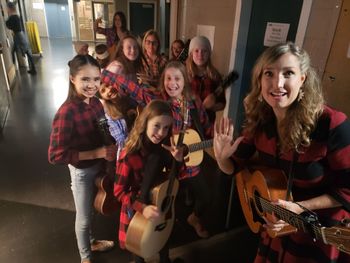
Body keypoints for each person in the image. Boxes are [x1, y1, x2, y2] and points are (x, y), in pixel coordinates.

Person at [213, 42, 350, 262]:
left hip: (320, 232)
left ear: (302, 79)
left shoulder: (331, 123)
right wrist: (221, 159)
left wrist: (300, 208)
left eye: (288, 73)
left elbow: (347, 190)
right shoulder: (260, 120)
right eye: (269, 73)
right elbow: (235, 166)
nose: (278, 83)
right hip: (277, 226)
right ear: (260, 79)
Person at [102, 60, 213, 238]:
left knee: (206, 197)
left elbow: (206, 127)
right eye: (168, 78)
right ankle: (157, 235)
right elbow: (131, 87)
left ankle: (194, 218)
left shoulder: (194, 103)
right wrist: (104, 74)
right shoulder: (158, 101)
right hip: (165, 164)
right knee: (166, 204)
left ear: (185, 80)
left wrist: (216, 141)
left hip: (189, 162)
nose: (172, 83)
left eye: (177, 78)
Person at [48, 55, 116, 263]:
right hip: (82, 172)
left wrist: (112, 142)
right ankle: (85, 257)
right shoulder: (66, 113)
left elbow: (104, 127)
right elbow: (55, 155)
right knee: (84, 217)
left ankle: (91, 241)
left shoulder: (96, 103)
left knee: (94, 208)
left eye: (96, 79)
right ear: (72, 79)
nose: (92, 85)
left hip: (100, 166)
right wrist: (96, 153)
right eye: (85, 79)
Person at [114, 99, 184, 263]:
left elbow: (174, 177)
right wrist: (142, 207)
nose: (161, 133)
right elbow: (118, 192)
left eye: (166, 128)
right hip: (137, 208)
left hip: (158, 203)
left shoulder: (163, 147)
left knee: (163, 240)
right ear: (145, 123)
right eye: (157, 125)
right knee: (140, 249)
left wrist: (177, 161)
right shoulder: (129, 155)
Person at [186, 36, 226, 123]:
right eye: (196, 51)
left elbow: (222, 104)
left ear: (209, 54)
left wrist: (211, 107)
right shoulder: (184, 75)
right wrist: (200, 107)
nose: (200, 55)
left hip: (207, 125)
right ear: (191, 53)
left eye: (204, 51)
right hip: (187, 124)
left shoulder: (215, 76)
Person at [5, 1, 36, 74]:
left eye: (7, 8)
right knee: (23, 51)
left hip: (18, 36)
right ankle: (32, 69)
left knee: (20, 51)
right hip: (19, 35)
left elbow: (8, 25)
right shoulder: (16, 16)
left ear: (10, 8)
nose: (7, 9)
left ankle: (32, 69)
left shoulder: (13, 17)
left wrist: (8, 17)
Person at [98, 84, 128, 160]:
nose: (109, 90)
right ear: (102, 98)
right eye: (103, 91)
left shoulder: (128, 98)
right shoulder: (108, 115)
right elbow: (121, 139)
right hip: (127, 153)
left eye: (108, 85)